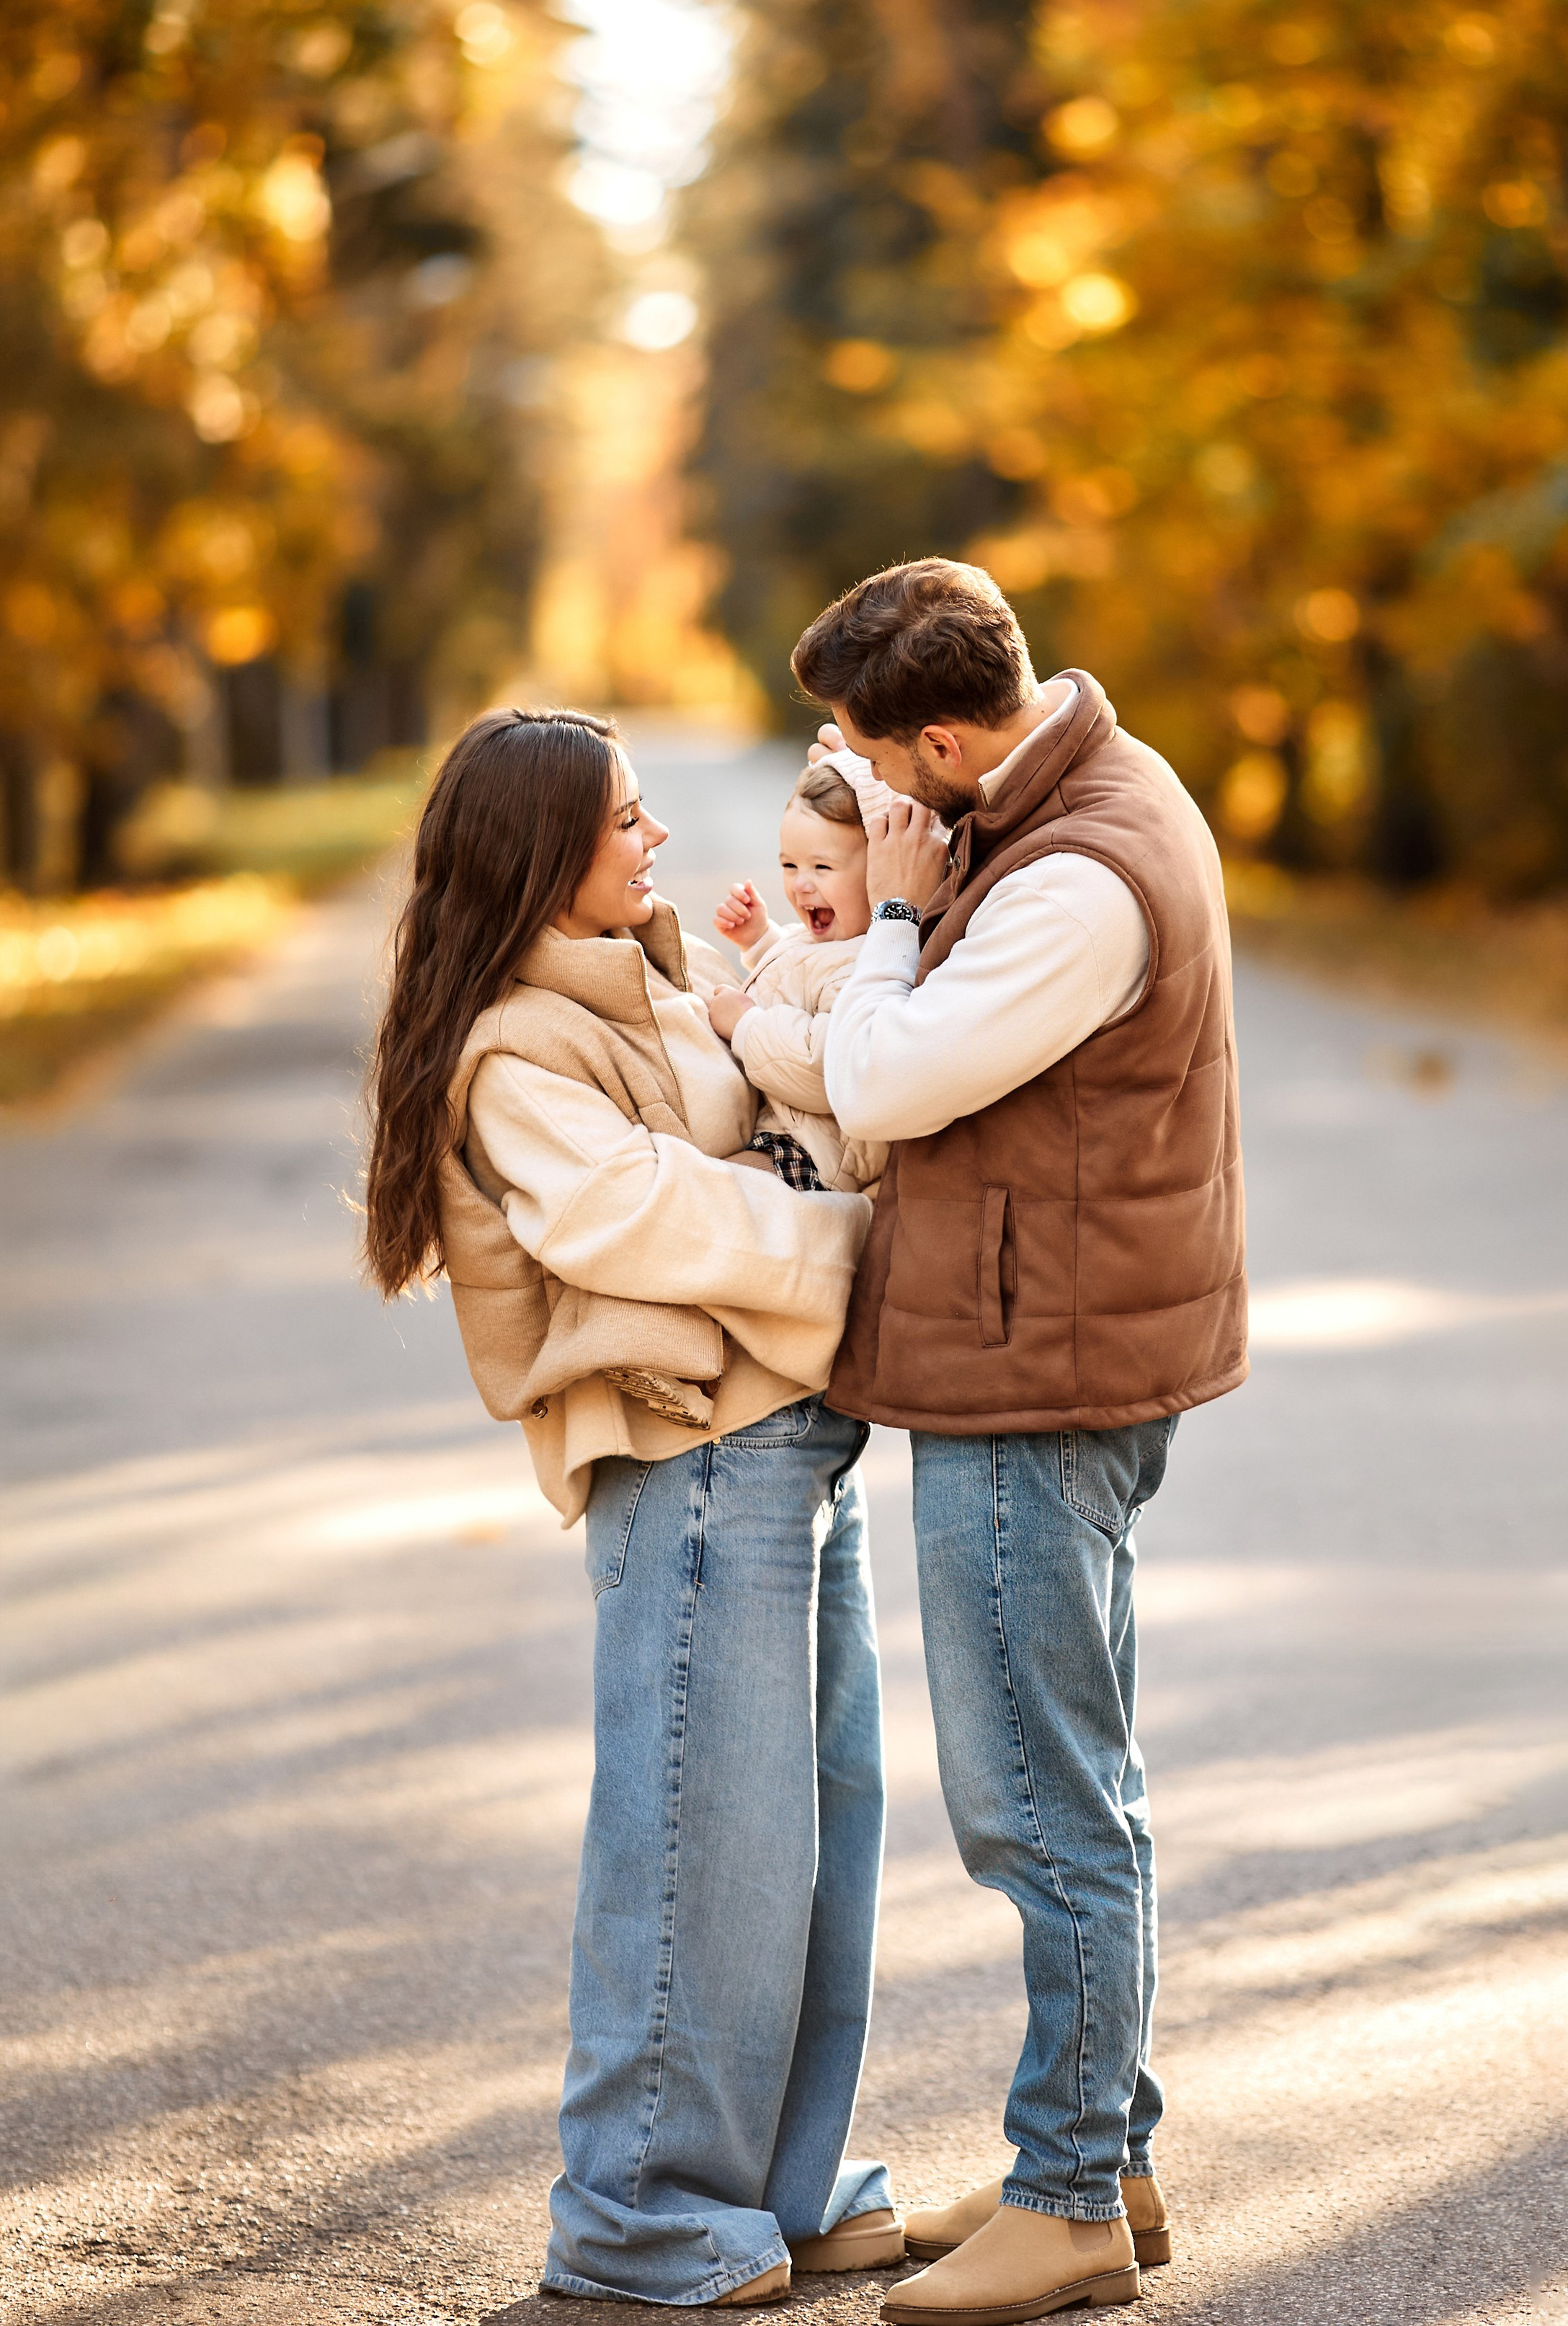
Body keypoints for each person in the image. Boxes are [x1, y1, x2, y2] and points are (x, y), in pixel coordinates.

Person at [362, 706, 906, 2307]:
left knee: (816, 1837)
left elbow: (798, 1122)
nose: (656, 839)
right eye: (625, 819)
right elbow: (648, 1219)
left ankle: (776, 2184)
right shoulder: (512, 1051)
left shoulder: (658, 982)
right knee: (697, 1848)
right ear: (541, 854)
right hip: (693, 1460)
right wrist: (871, 1242)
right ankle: (638, 2206)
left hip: (792, 1441)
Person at [789, 561, 1248, 2326]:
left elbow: (884, 1085)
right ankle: (1101, 2147)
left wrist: (891, 925)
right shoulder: (1049, 796)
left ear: (942, 734)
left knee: (1037, 1801)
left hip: (1032, 1375)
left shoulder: (1074, 873)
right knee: (1076, 1773)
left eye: (860, 749)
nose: (858, 783)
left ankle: (1064, 2201)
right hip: (1048, 1347)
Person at [705, 747, 891, 1195]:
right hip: (784, 1133)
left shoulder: (869, 966)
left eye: (822, 867)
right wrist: (762, 939)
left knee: (715, 1196)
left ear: (881, 871)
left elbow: (824, 1067)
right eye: (789, 865)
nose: (801, 883)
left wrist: (746, 1024)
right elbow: (800, 980)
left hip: (815, 1159)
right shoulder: (833, 942)